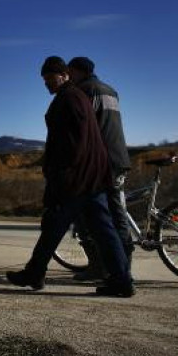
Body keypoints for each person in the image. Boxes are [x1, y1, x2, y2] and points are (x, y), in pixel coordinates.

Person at [6, 56, 134, 297]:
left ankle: (34, 273)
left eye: (49, 78)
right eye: (44, 80)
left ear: (64, 74)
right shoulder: (75, 97)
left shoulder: (70, 98)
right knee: (103, 230)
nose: (46, 83)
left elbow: (73, 143)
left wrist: (61, 175)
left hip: (78, 178)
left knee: (55, 225)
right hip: (92, 176)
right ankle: (122, 281)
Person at [68, 56, 134, 277]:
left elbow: (82, 130)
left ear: (77, 72)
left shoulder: (83, 91)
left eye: (70, 73)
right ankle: (123, 268)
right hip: (119, 158)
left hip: (98, 161)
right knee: (118, 214)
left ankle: (98, 267)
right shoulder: (111, 91)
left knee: (87, 213)